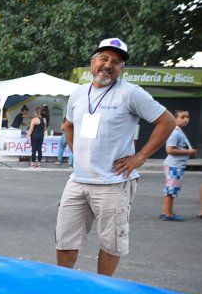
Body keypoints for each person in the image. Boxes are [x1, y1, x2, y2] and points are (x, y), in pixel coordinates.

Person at [56, 38, 175, 276]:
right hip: (78, 181)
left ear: (121, 68)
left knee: (110, 243)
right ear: (93, 62)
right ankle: (64, 284)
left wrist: (140, 157)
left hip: (113, 182)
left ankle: (103, 289)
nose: (108, 65)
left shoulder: (130, 93)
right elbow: (68, 125)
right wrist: (78, 153)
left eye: (116, 61)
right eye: (104, 58)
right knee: (65, 240)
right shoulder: (78, 94)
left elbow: (167, 121)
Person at [161, 109, 196, 221]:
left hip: (176, 165)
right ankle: (168, 214)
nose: (186, 119)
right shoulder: (175, 132)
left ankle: (165, 212)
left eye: (187, 117)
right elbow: (170, 150)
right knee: (171, 190)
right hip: (174, 165)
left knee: (170, 189)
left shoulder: (178, 131)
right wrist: (188, 152)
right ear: (175, 119)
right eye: (182, 117)